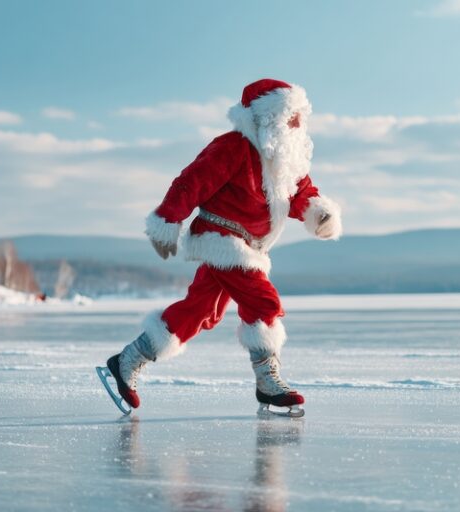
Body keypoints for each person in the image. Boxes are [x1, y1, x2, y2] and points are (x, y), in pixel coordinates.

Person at [100, 78, 342, 417]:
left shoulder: (285, 161)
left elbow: (301, 193)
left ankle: (128, 360)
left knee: (200, 310)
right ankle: (267, 381)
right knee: (263, 301)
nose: (298, 123)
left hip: (251, 247)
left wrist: (319, 213)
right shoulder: (233, 147)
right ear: (268, 117)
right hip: (222, 240)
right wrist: (168, 219)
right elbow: (192, 181)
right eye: (291, 116)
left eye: (301, 116)